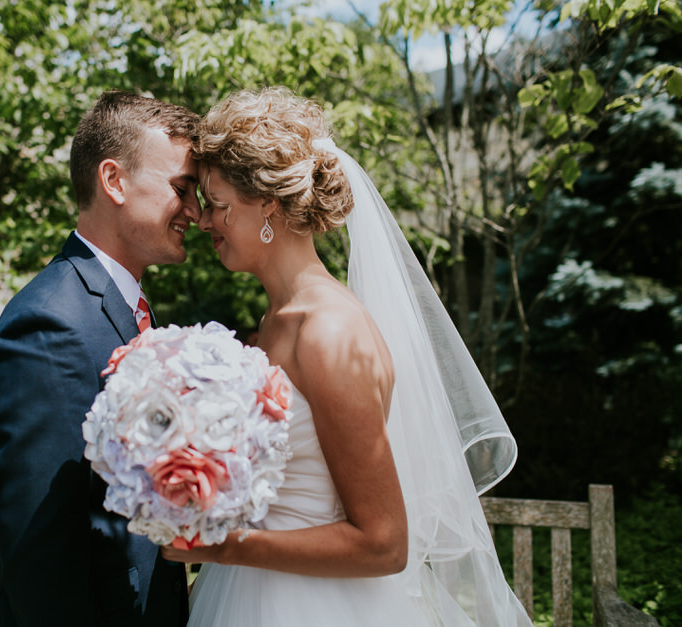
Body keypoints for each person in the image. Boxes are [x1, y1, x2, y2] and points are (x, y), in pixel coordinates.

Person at [162, 87, 532, 626]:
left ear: (267, 204)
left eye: (217, 206)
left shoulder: (329, 332)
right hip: (248, 592)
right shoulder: (274, 321)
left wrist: (219, 546)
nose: (203, 221)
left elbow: (384, 544)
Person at [0, 90, 201, 627]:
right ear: (114, 181)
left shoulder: (127, 304)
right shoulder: (49, 324)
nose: (194, 210)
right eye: (181, 188)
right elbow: (42, 559)